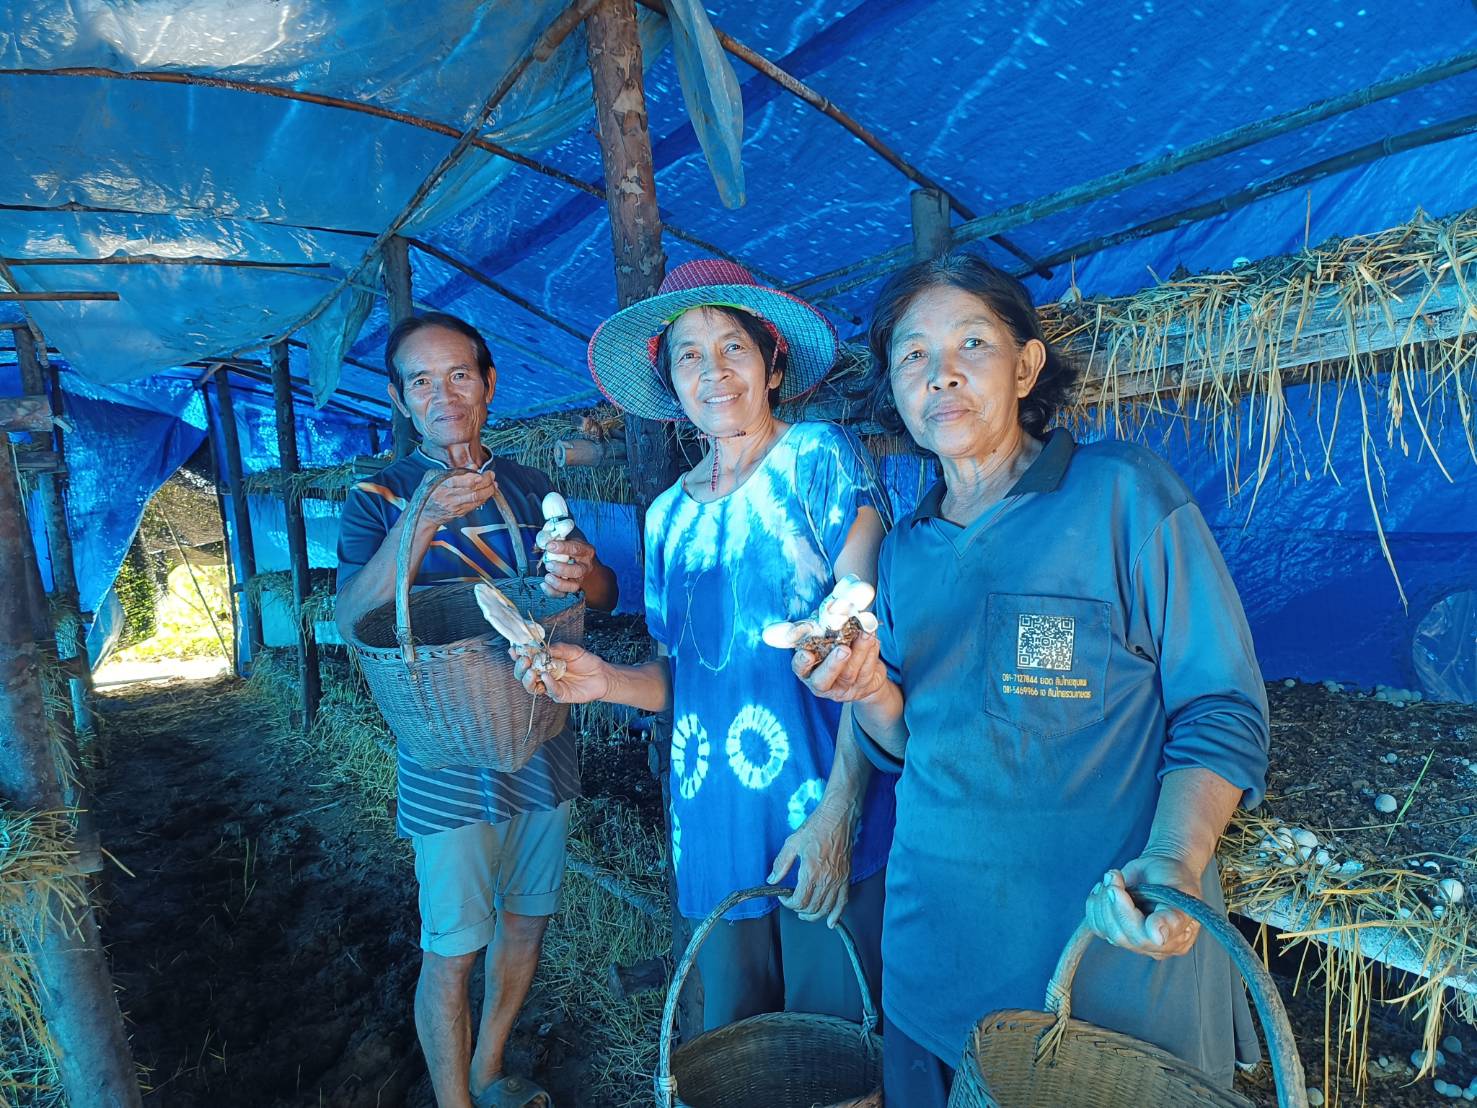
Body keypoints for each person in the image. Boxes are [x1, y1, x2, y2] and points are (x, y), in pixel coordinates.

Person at [796, 253, 1270, 1106]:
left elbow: (1221, 703)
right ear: (893, 390)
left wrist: (1173, 857)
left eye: (970, 343)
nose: (939, 374)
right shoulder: (903, 552)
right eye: (911, 356)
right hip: (930, 960)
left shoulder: (1122, 495)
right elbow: (912, 747)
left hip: (1104, 970)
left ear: (1023, 366)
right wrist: (867, 693)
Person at [518, 259, 895, 1029]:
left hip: (815, 803)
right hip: (712, 819)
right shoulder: (665, 517)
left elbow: (862, 645)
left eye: (733, 347)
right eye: (689, 354)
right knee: (739, 1042)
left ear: (773, 364)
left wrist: (836, 813)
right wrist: (605, 681)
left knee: (836, 1042)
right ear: (670, 386)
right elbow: (677, 676)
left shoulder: (819, 458)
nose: (712, 370)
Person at [334, 312, 617, 1108]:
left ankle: (490, 1070)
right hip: (442, 752)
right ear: (399, 399)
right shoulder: (375, 497)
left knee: (526, 919)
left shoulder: (529, 488)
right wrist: (419, 521)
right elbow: (348, 617)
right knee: (454, 946)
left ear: (490, 384)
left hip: (540, 735)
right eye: (420, 380)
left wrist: (584, 569)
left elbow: (602, 595)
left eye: (459, 374)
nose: (442, 394)